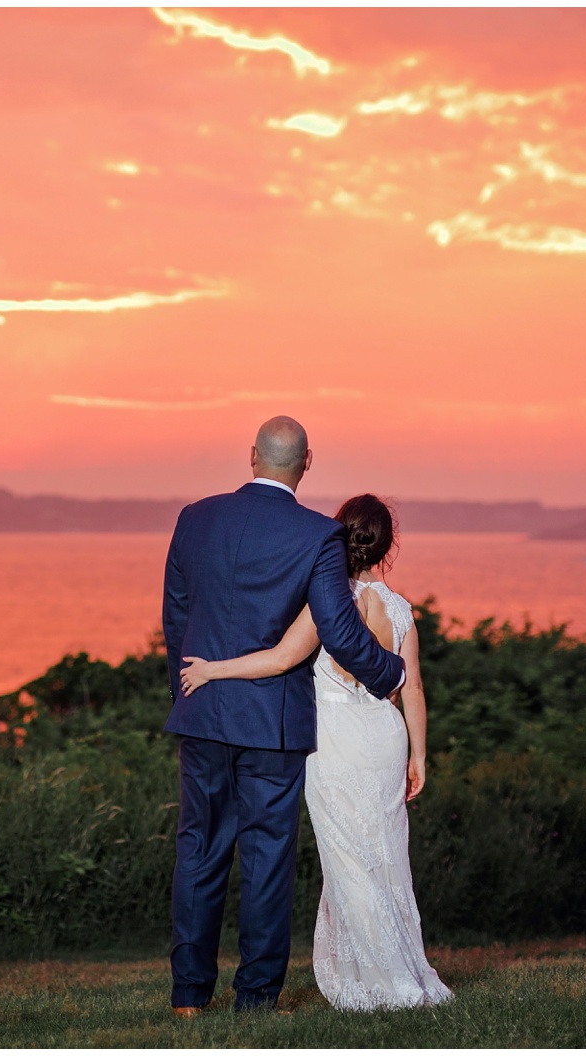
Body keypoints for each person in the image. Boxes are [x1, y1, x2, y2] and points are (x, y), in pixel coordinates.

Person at [162, 416, 405, 1015]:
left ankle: (189, 998)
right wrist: (390, 674)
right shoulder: (317, 535)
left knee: (198, 850)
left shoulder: (194, 518)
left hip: (202, 712)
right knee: (267, 859)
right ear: (307, 462)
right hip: (270, 724)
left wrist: (187, 693)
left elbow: (175, 617)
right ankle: (255, 999)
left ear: (252, 457)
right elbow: (340, 630)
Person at [178, 494, 453, 1011]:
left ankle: (379, 980)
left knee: (350, 857)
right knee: (387, 858)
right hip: (386, 738)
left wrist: (213, 669)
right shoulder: (400, 609)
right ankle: (399, 969)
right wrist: (420, 756)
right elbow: (411, 688)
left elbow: (281, 658)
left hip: (337, 742)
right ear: (386, 548)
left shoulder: (328, 600)